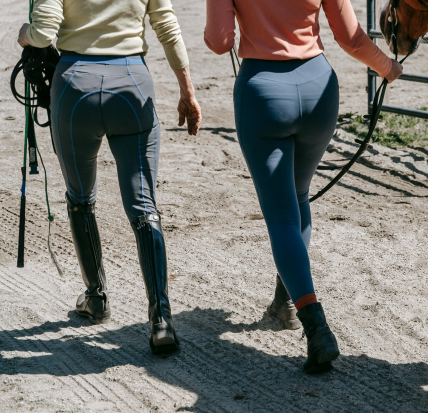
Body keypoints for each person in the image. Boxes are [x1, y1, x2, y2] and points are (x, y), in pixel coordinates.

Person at [205, 0, 402, 373]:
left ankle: (316, 325)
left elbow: (220, 41)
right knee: (298, 196)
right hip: (318, 89)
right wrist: (387, 68)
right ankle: (286, 303)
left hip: (263, 92)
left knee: (281, 216)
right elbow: (350, 36)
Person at [18, 0, 201, 354]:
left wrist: (24, 35)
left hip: (74, 88)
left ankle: (96, 298)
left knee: (80, 197)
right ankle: (161, 318)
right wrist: (187, 91)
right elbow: (167, 26)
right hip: (132, 84)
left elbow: (42, 34)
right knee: (143, 203)